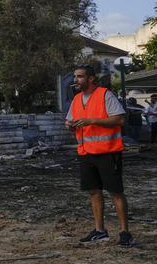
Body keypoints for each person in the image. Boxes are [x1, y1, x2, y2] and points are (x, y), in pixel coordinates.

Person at [65, 65, 134, 247]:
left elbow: (119, 119)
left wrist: (92, 120)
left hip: (108, 152)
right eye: (75, 76)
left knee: (116, 192)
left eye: (80, 76)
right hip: (86, 153)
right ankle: (100, 231)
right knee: (94, 191)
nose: (76, 80)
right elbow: (69, 119)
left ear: (91, 78)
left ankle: (125, 232)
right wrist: (69, 125)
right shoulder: (77, 99)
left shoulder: (105, 95)